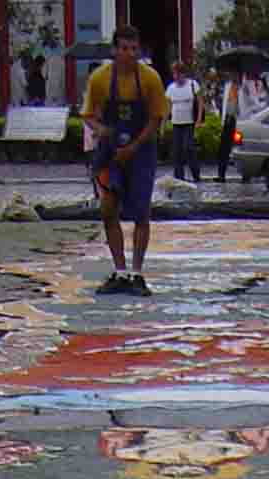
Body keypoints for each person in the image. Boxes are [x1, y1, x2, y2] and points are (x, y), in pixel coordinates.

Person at [82, 24, 169, 295]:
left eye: (134, 49)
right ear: (114, 50)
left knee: (141, 212)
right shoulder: (100, 78)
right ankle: (119, 271)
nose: (129, 54)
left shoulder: (150, 78)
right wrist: (101, 130)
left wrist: (134, 146)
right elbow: (87, 114)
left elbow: (156, 118)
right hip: (110, 152)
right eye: (124, 48)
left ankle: (137, 273)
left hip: (142, 150)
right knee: (108, 209)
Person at [166, 61, 202, 182]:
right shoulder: (171, 88)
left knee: (188, 147)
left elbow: (200, 102)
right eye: (174, 74)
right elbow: (168, 106)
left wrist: (198, 119)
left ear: (183, 73)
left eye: (178, 74)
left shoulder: (192, 84)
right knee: (177, 150)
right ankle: (179, 176)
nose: (176, 76)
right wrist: (164, 122)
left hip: (189, 122)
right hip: (176, 123)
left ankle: (195, 173)